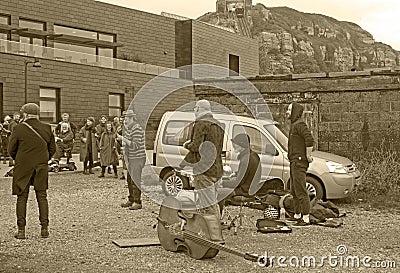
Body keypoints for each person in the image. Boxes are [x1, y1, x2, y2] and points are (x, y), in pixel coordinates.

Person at [8, 103, 56, 239]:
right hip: (41, 166)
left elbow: (11, 149)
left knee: (22, 197)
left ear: (25, 114)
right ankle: (44, 229)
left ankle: (21, 231)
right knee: (42, 196)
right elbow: (52, 149)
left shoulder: (18, 128)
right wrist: (43, 159)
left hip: (23, 167)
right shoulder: (47, 128)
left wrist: (21, 159)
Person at [180, 99, 225, 243]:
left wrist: (187, 144)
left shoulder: (200, 124)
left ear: (200, 109)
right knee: (213, 203)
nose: (194, 110)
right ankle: (214, 231)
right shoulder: (219, 125)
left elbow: (195, 146)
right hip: (217, 169)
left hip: (203, 169)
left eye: (195, 108)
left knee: (207, 206)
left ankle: (214, 238)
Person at [286, 102, 314, 226]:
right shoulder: (294, 125)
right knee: (294, 190)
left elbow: (309, 139)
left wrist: (308, 156)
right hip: (293, 161)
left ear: (295, 112)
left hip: (299, 162)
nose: (286, 112)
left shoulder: (300, 124)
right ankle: (297, 215)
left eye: (289, 109)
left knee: (301, 190)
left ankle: (306, 218)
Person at [218, 133, 261, 212]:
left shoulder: (245, 159)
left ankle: (216, 219)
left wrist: (222, 182)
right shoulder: (253, 155)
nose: (233, 146)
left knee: (217, 193)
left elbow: (238, 182)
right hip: (250, 189)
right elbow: (248, 172)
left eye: (235, 144)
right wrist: (236, 173)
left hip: (244, 191)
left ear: (242, 145)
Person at [120, 110, 145, 210]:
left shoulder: (137, 129)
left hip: (137, 158)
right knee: (130, 180)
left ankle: (137, 202)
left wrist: (123, 139)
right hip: (131, 157)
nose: (125, 121)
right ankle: (131, 199)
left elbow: (135, 145)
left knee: (135, 180)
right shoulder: (130, 129)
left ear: (132, 118)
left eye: (126, 118)